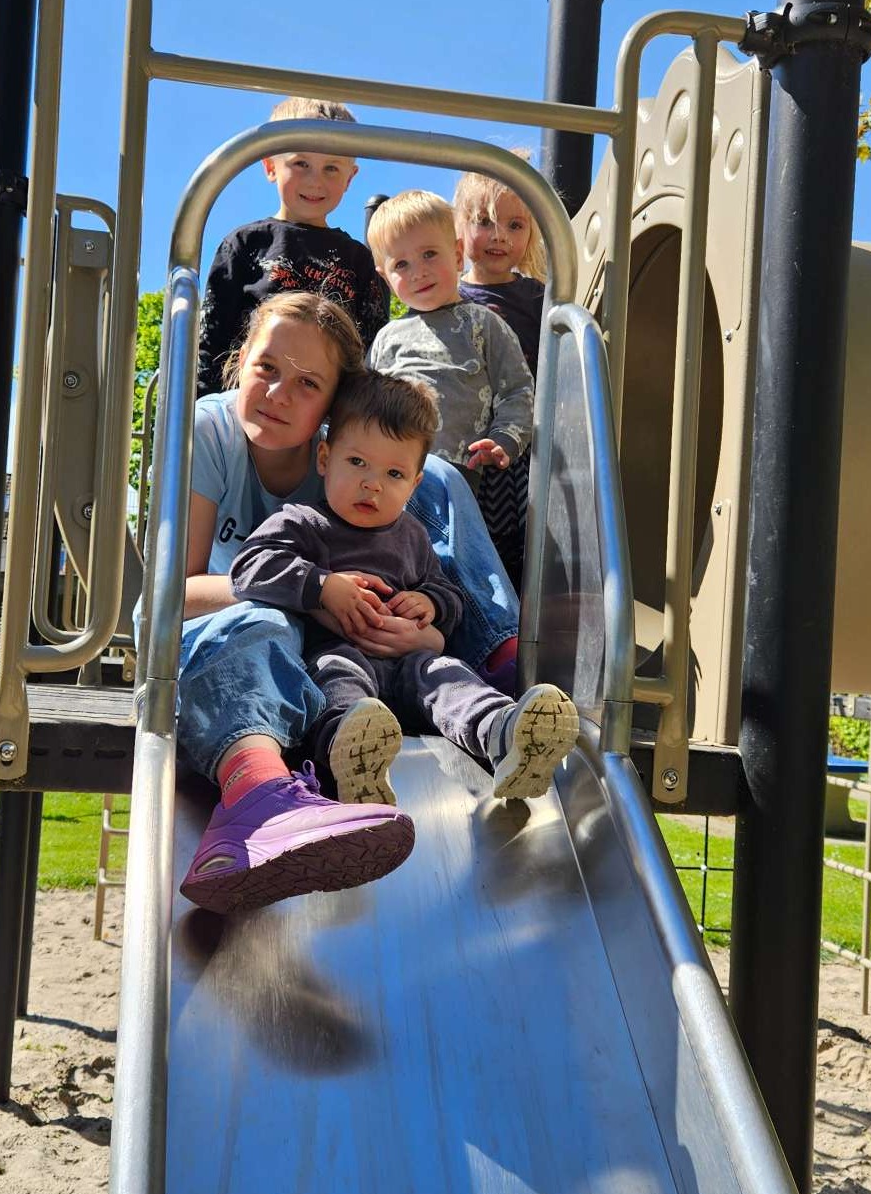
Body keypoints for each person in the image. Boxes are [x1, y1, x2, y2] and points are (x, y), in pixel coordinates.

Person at [176, 292, 520, 914]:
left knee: (439, 475)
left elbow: (419, 566)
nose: (278, 394)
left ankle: (499, 657)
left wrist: (428, 628)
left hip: (362, 646)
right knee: (268, 619)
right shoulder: (214, 431)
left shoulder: (358, 462)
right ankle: (264, 790)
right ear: (240, 361)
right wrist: (313, 591)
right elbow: (170, 595)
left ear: (332, 408)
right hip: (235, 633)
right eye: (265, 368)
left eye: (308, 384)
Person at [229, 371, 578, 808]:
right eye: (357, 462)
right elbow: (248, 567)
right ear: (324, 458)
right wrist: (323, 586)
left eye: (394, 473)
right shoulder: (303, 522)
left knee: (447, 675)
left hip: (410, 662)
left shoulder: (412, 535)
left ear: (414, 484)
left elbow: (448, 595)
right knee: (336, 676)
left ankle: (503, 736)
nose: (372, 483)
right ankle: (349, 757)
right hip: (338, 651)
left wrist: (429, 603)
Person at [196, 97, 388, 398]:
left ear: (350, 177)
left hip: (325, 412)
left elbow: (372, 353)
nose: (315, 181)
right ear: (270, 166)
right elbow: (211, 342)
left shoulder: (358, 260)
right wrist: (201, 409)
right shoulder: (245, 245)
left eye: (331, 168)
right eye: (301, 163)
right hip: (248, 405)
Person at [366, 190, 534, 488]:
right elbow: (362, 401)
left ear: (457, 256)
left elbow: (518, 389)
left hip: (459, 473)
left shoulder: (482, 323)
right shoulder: (386, 338)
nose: (418, 272)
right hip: (388, 472)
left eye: (429, 254)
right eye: (401, 265)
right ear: (386, 278)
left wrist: (505, 438)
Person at [453, 167, 547, 593]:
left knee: (517, 544)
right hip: (468, 444)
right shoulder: (450, 297)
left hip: (522, 446)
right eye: (484, 222)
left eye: (515, 225)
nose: (499, 236)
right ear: (459, 227)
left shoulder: (539, 297)